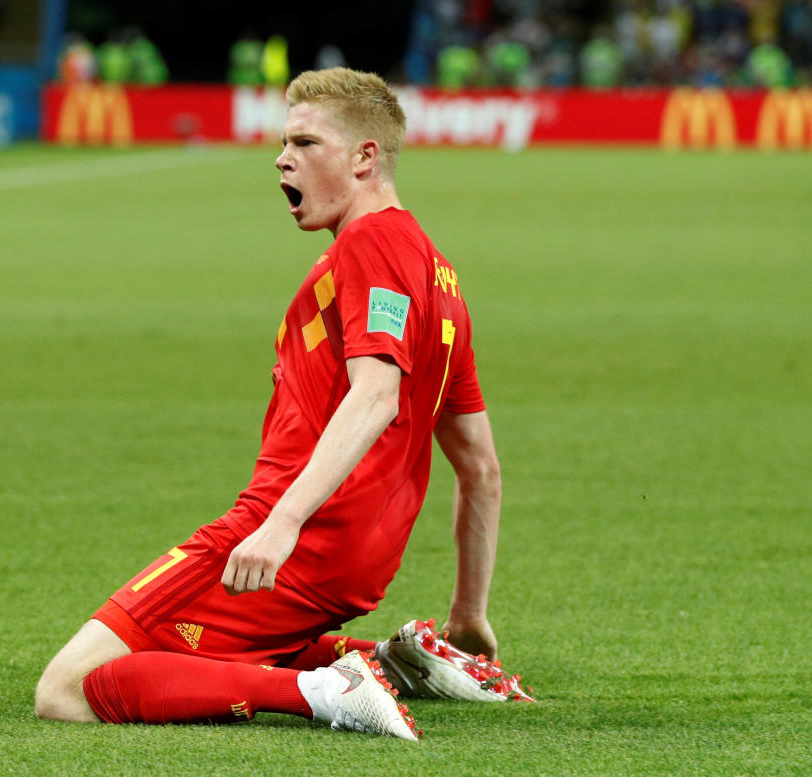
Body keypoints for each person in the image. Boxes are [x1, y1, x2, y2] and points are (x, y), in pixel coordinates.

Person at [35, 67, 531, 740]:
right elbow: (481, 468)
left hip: (292, 537)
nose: (282, 158)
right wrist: (468, 616)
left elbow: (377, 394)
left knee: (67, 688)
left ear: (365, 157)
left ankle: (322, 689)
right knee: (210, 650)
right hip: (356, 565)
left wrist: (282, 522)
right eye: (283, 142)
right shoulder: (440, 278)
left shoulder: (374, 243)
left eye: (305, 142)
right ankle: (397, 662)